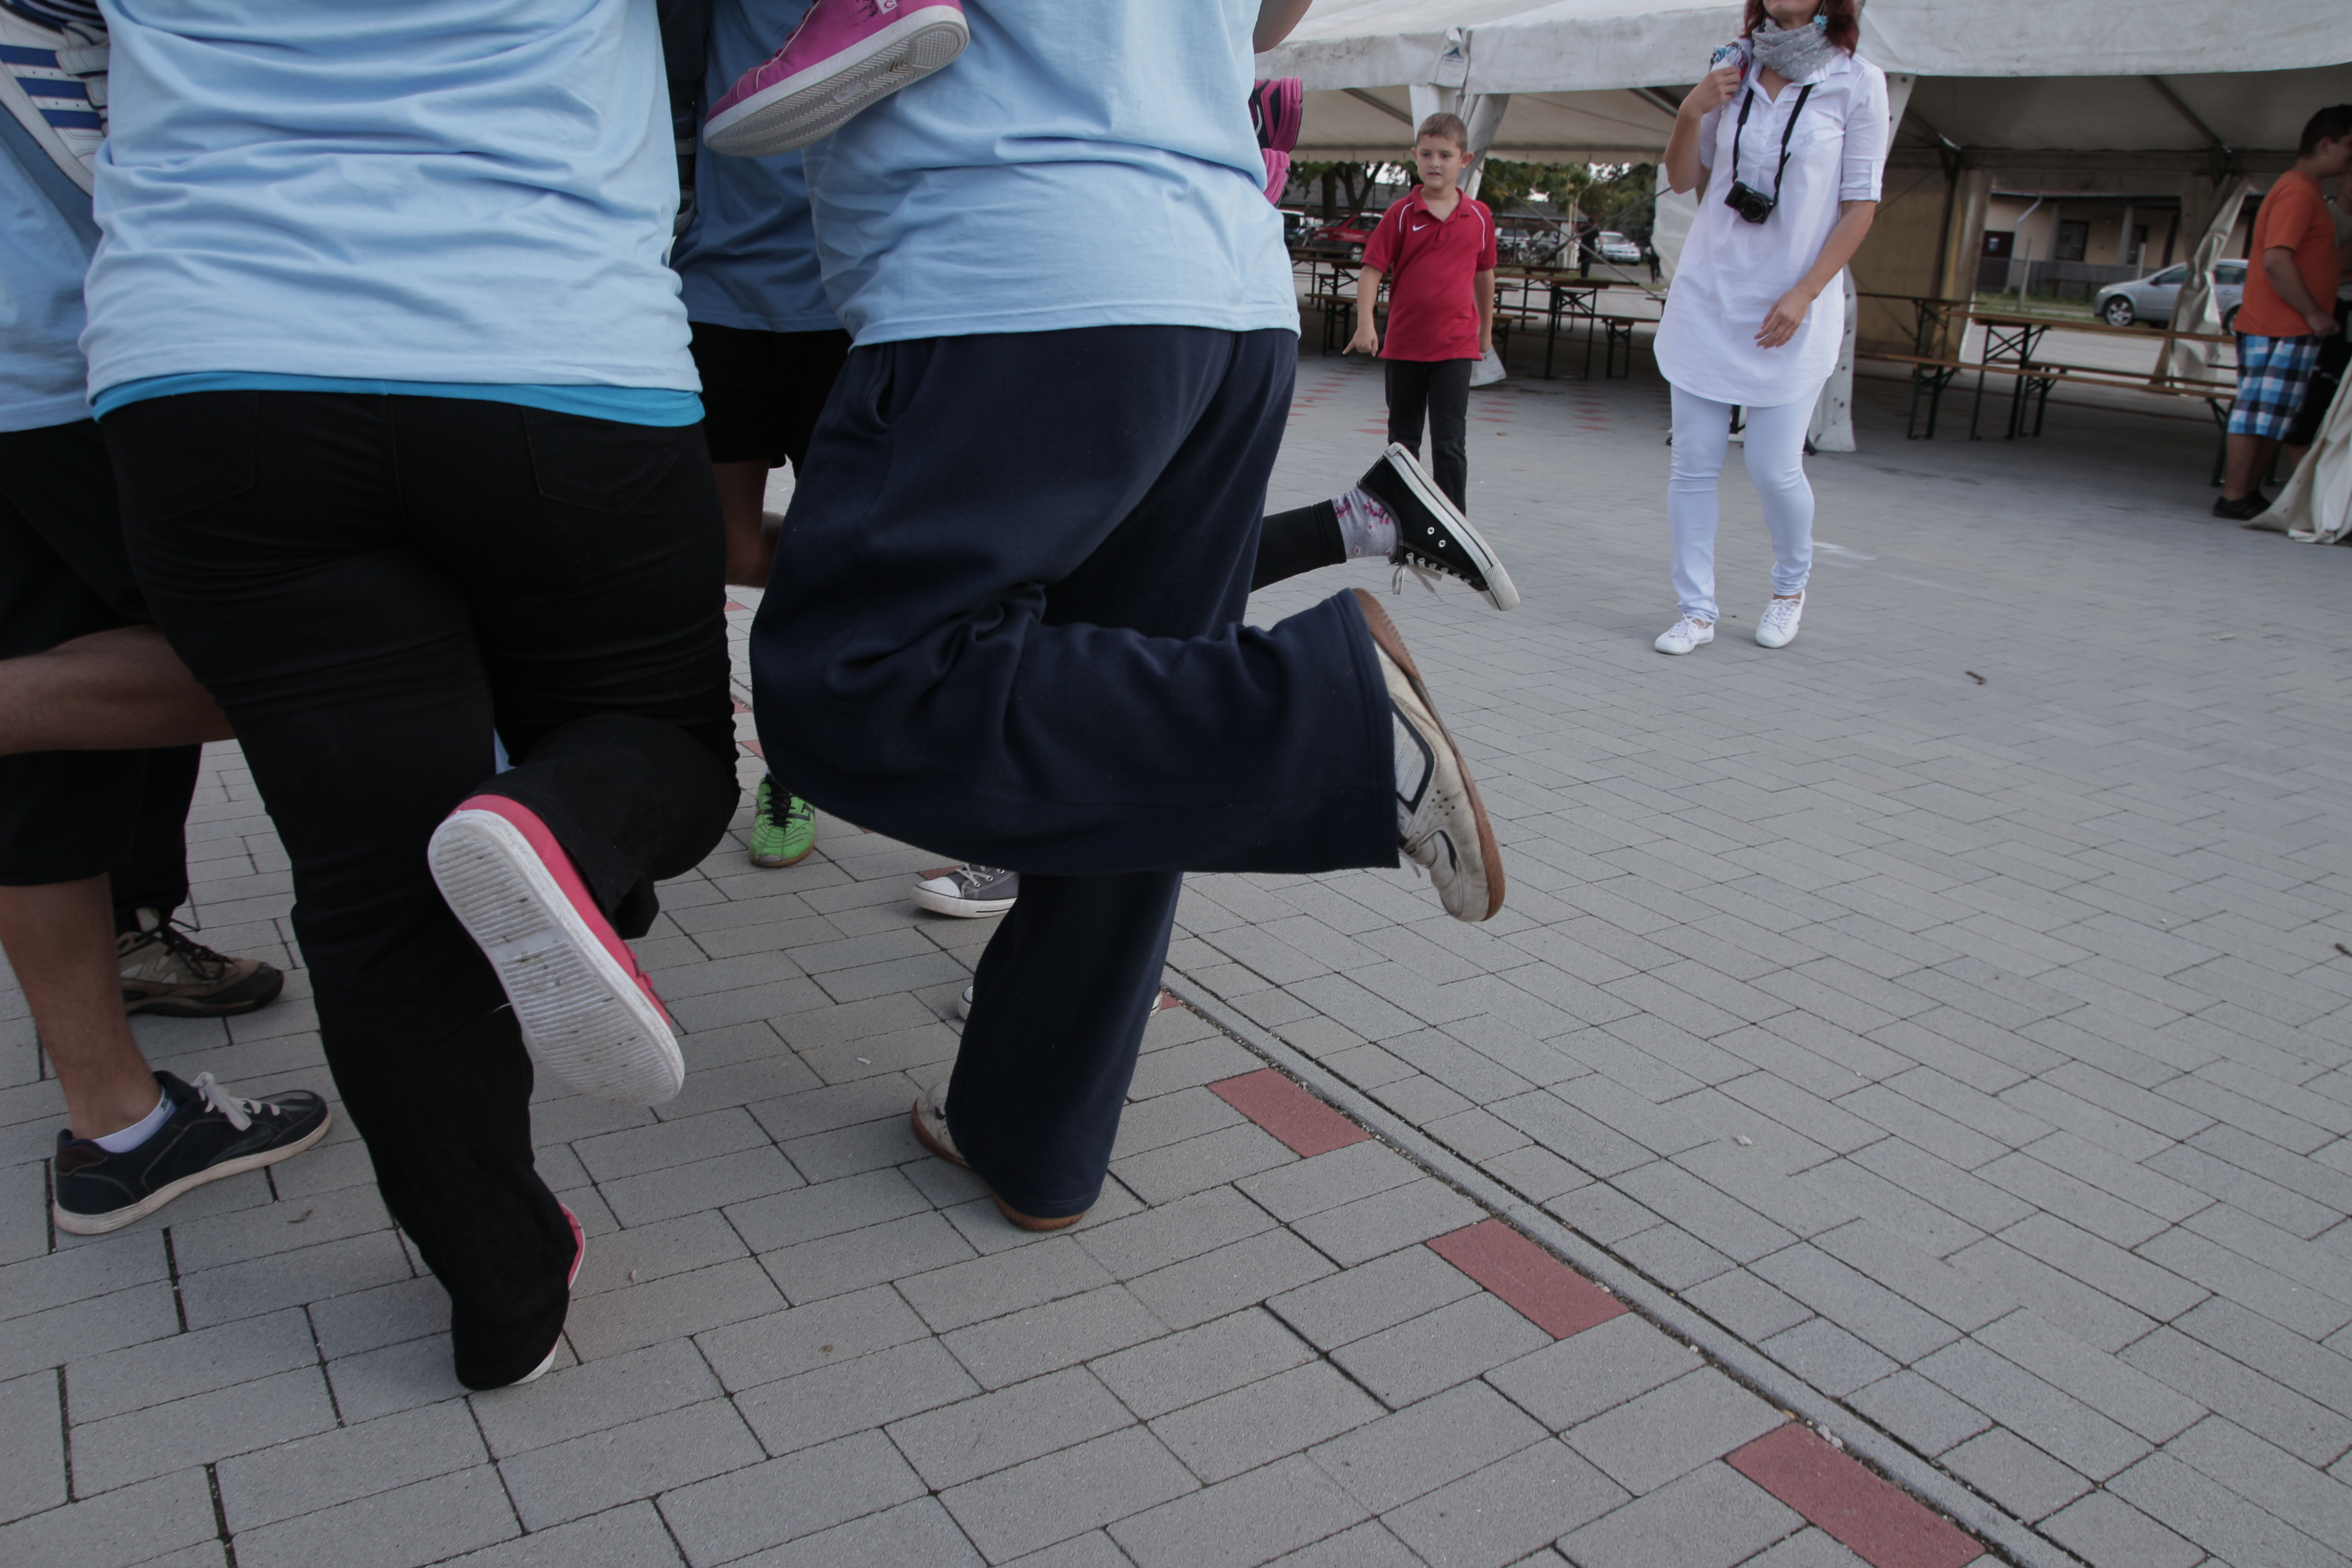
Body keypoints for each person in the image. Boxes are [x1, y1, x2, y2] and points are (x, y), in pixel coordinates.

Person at [754, 0, 1504, 1237]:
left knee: (851, 679)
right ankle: (1030, 1135)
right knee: (1130, 726)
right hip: (1225, 288)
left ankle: (1330, 723)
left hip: (1010, 264)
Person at [86, 0, 741, 1390]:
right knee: (665, 748)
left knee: (375, 893)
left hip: (213, 359)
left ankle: (505, 1297)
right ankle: (554, 826)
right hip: (551, 341)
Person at [0, 0, 327, 1237]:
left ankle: (119, 1120)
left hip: (48, 346)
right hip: (82, 344)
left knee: (52, 724)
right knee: (320, 654)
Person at [1649, 0, 1886, 656]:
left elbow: (1861, 206)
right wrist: (1691, 111)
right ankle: (1696, 611)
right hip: (1710, 293)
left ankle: (1789, 589)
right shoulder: (1732, 65)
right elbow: (1683, 179)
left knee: (1773, 467)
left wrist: (1806, 292)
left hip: (1792, 303)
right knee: (1693, 462)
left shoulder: (1857, 80)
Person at [672, 0, 851, 871]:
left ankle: (795, 762)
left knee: (838, 556)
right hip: (717, 298)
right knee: (721, 548)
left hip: (844, 306)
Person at [1343, 112, 1498, 513]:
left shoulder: (1479, 217)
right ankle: (1400, 518)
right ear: (1415, 155)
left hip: (1455, 348)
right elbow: (1371, 270)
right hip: (1405, 346)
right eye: (1426, 154)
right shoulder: (1400, 214)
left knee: (1450, 443)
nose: (1435, 163)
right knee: (1402, 443)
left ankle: (1454, 525)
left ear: (1465, 160)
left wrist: (1485, 332)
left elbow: (1485, 276)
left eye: (1446, 155)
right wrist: (1366, 324)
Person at [2216, 105, 2352, 519]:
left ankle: (2247, 492)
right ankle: (2235, 495)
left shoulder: (2305, 189)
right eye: (2351, 145)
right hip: (2280, 325)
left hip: (2286, 325)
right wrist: (2313, 313)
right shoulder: (2298, 191)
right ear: (2326, 144)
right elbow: (2277, 259)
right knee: (2257, 411)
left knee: (2274, 416)